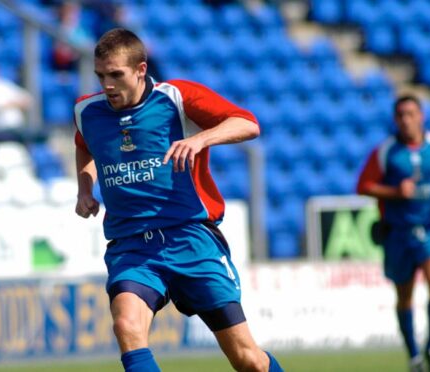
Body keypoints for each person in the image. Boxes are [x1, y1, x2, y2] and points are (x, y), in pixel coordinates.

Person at [73, 28, 283, 372]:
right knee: (126, 327)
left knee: (249, 362)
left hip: (191, 238)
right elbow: (84, 145)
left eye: (116, 75)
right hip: (132, 246)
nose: (107, 85)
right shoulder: (87, 111)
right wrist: (85, 188)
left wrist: (201, 140)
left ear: (141, 70)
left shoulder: (176, 98)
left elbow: (247, 124)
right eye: (101, 75)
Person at [357, 95, 430, 372]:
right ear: (395, 119)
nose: (406, 119)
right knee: (405, 297)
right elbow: (364, 185)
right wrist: (394, 192)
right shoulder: (386, 152)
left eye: (411, 113)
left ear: (421, 116)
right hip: (399, 233)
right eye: (401, 115)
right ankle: (414, 355)